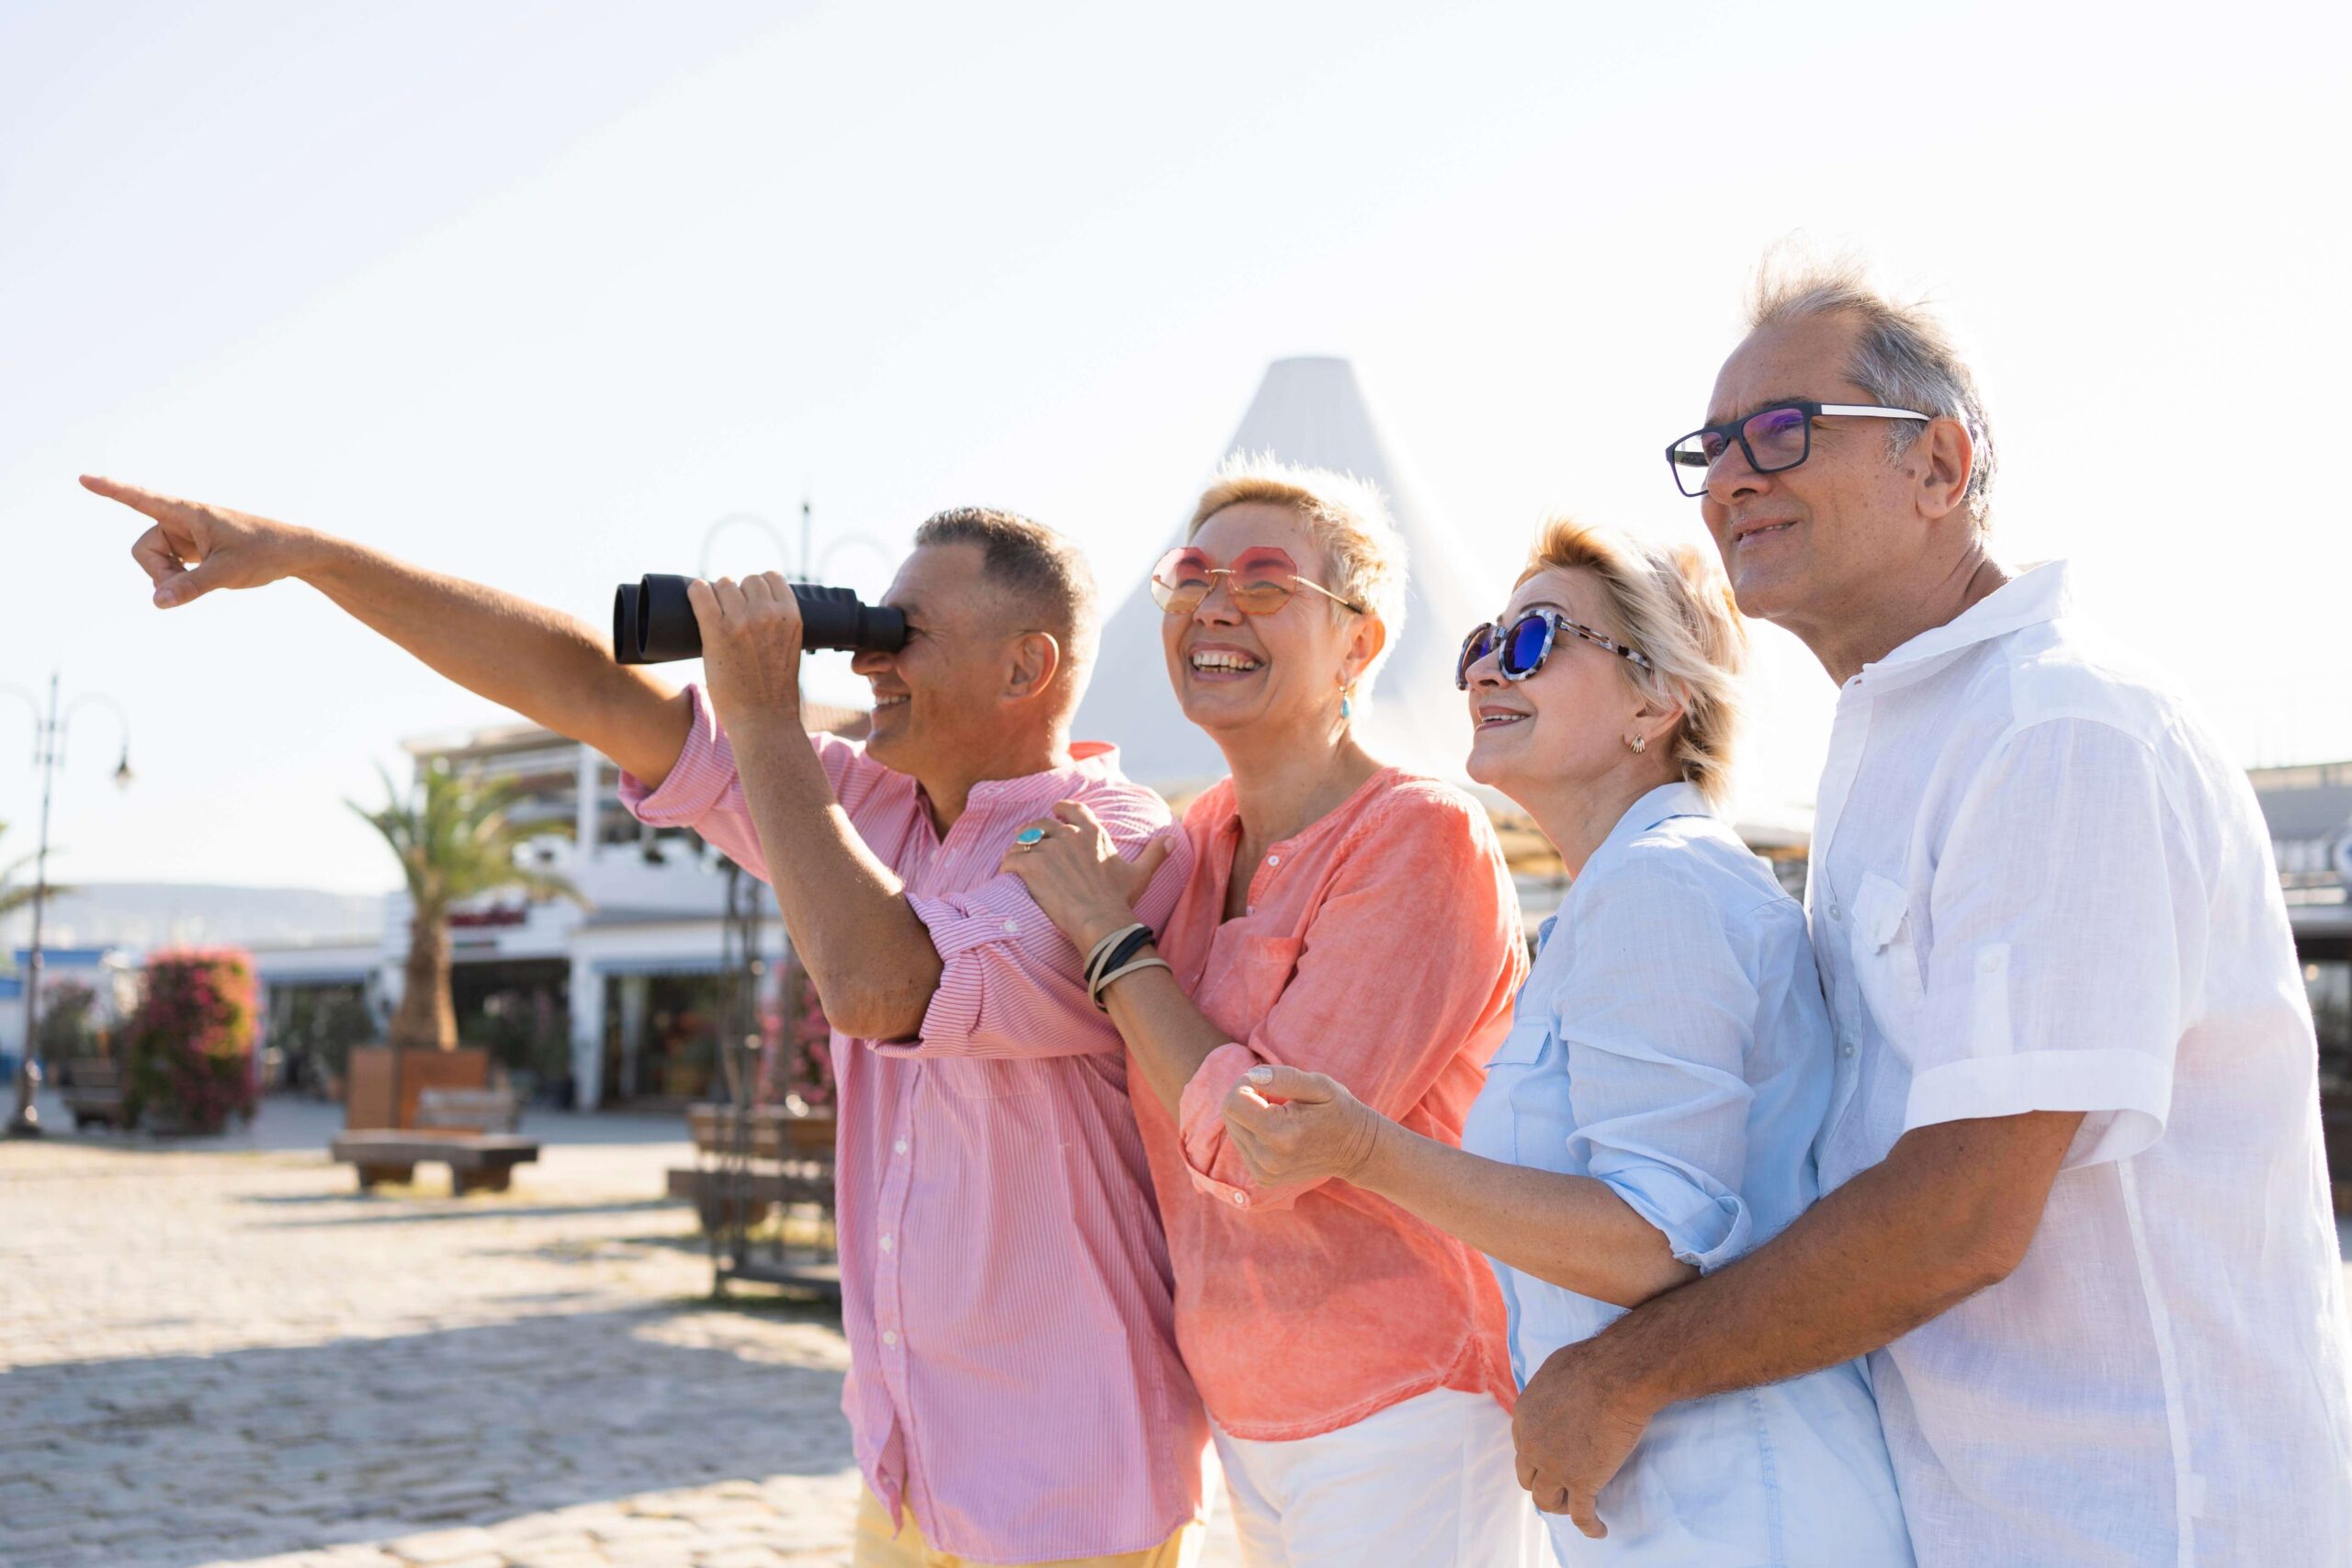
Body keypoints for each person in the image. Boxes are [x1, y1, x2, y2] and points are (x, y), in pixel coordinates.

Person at [81, 478, 1209, 1568]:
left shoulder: (1106, 840)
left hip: (1072, 1480)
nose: (866, 656)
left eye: (902, 631)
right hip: (914, 1463)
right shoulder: (869, 814)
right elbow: (585, 687)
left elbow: (880, 989)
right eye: (866, 626)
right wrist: (309, 556)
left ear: (1027, 665)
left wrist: (764, 716)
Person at [1509, 265, 2352, 1563]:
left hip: (2145, 1516)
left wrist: (1624, 1371)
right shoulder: (1905, 733)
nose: (1733, 476)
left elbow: (1964, 1207)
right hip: (1980, 1506)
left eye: (1783, 430)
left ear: (1941, 463)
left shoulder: (2057, 729)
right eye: (1710, 448)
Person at [1216, 516, 1912, 1565]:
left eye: (1537, 639)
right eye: (1481, 645)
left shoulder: (1661, 885)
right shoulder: (1627, 893)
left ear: (1654, 700)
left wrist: (1366, 1152)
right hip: (1679, 1497)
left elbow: (1653, 1239)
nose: (1491, 668)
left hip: (1743, 1510)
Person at [1003, 457, 1541, 1568]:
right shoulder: (1194, 840)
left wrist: (1113, 941)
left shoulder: (1421, 836)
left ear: (1359, 642)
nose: (1213, 605)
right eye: (1191, 577)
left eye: (1261, 582)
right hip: (1240, 1406)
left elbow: (1267, 1148)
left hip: (1407, 1400)